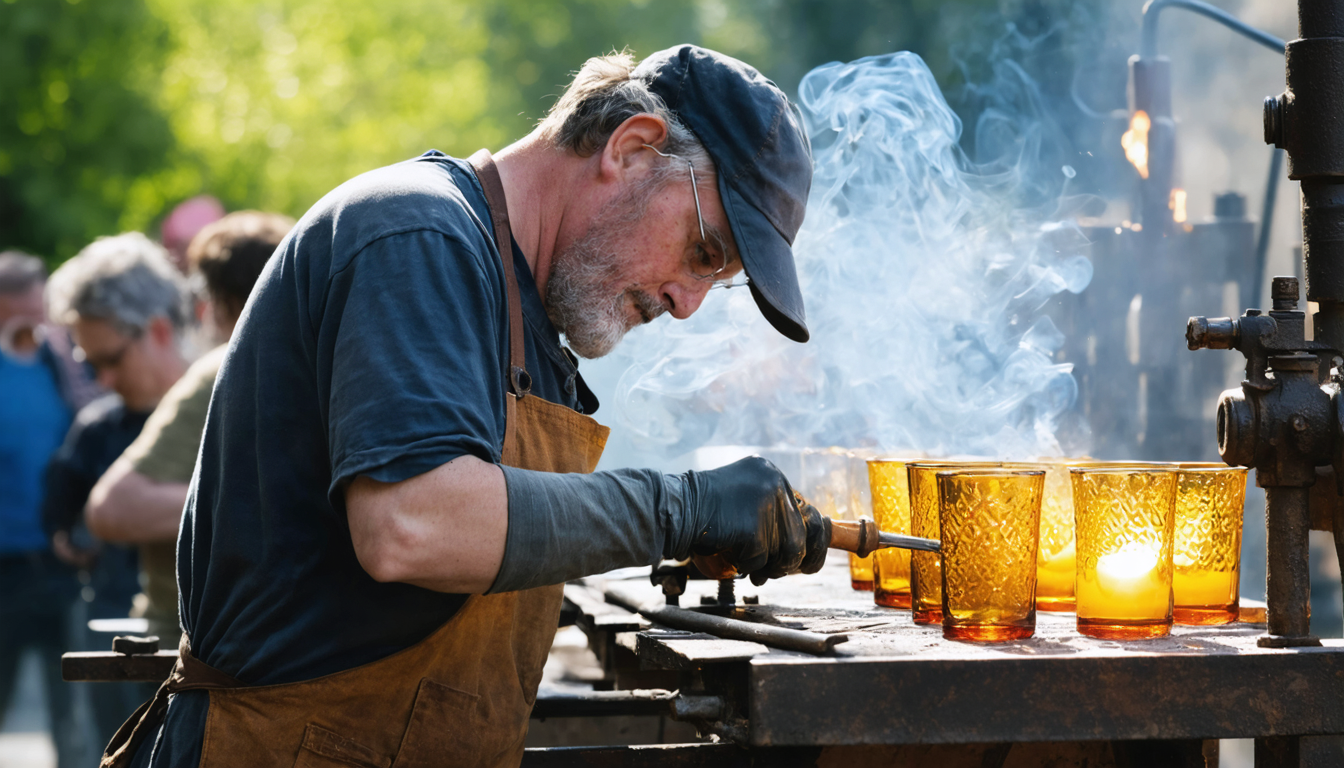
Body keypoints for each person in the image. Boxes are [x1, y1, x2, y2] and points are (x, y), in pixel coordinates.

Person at [113, 45, 827, 768]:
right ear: (633, 149)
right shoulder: (418, 234)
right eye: (704, 252)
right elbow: (412, 523)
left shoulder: (522, 313)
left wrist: (688, 529)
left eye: (719, 279)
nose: (688, 303)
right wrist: (678, 509)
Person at [86, 211, 294, 640]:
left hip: (206, 650)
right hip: (230, 645)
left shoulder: (224, 369)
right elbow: (114, 510)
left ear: (214, 301)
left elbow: (111, 508)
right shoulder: (333, 366)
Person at [42, 232, 191, 752]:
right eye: (89, 364)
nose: (101, 379)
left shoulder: (225, 409)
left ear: (157, 329)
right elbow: (64, 503)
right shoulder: (98, 426)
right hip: (112, 635)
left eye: (109, 359)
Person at [0, 251, 81, 767]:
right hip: (4, 568)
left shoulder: (59, 361)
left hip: (57, 566)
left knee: (73, 716)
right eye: (33, 297)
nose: (43, 306)